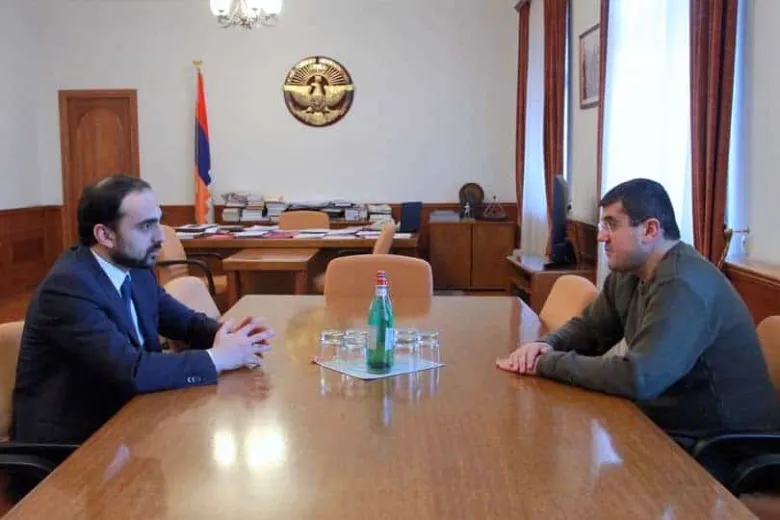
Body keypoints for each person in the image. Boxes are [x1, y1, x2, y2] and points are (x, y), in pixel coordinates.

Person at [496, 178, 779, 442]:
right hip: (671, 426)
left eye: (611, 225)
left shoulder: (684, 285)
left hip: (722, 446)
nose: (601, 236)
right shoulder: (630, 272)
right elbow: (592, 329)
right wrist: (545, 346)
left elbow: (638, 377)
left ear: (650, 230)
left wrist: (546, 364)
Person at [11, 175, 275, 444]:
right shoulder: (68, 287)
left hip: (131, 420)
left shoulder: (136, 271)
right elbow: (131, 371)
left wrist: (233, 335)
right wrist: (217, 357)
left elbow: (186, 324)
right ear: (105, 235)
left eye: (159, 221)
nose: (160, 237)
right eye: (146, 226)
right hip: (75, 443)